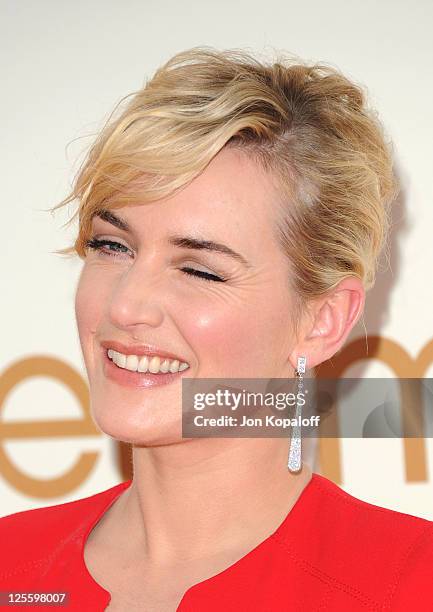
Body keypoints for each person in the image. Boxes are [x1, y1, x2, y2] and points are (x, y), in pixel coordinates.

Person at [1, 47, 432, 611]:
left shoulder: (409, 583)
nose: (127, 305)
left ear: (322, 320)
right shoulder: (12, 560)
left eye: (199, 269)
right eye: (113, 245)